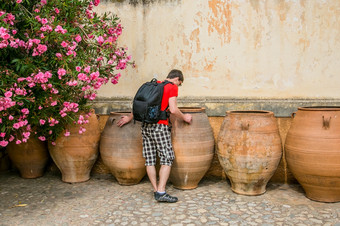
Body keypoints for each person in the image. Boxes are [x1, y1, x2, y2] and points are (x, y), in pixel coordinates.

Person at [116, 69, 192, 203]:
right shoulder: (171, 87)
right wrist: (184, 117)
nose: (178, 86)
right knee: (167, 157)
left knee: (150, 159)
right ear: (177, 79)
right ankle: (161, 192)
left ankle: (156, 190)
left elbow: (142, 106)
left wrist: (129, 117)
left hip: (145, 126)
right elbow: (173, 109)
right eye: (179, 84)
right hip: (160, 126)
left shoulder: (154, 84)